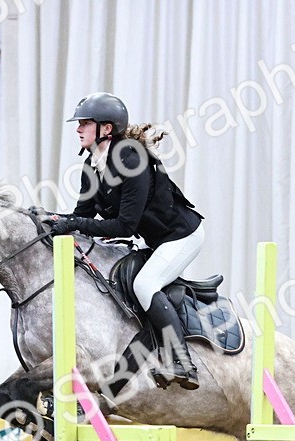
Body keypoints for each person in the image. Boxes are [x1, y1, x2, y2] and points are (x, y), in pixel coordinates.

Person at [46, 92, 205, 390]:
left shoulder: (132, 158)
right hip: (152, 240)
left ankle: (183, 361)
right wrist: (49, 220)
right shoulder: (92, 167)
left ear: (106, 129)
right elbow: (81, 216)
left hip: (181, 236)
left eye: (85, 123)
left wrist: (72, 223)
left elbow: (124, 224)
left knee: (145, 285)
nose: (78, 129)